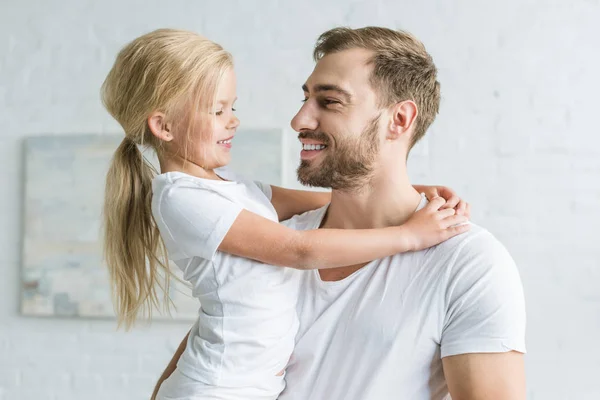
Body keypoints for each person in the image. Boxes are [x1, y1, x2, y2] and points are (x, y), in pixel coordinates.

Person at [154, 26, 526, 400]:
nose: (299, 120)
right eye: (305, 99)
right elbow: (204, 361)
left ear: (399, 120)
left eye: (329, 102)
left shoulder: (467, 262)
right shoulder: (271, 240)